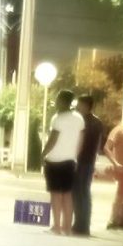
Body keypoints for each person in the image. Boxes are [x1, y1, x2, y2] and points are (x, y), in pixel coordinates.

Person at [72, 95, 118, 236]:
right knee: (81, 192)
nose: (77, 107)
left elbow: (81, 142)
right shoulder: (96, 122)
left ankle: (82, 224)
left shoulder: (86, 122)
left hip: (82, 161)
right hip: (88, 161)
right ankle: (80, 223)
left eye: (79, 104)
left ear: (86, 105)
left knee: (81, 192)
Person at [41, 90, 84, 236]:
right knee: (67, 194)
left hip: (54, 160)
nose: (56, 101)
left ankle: (57, 227)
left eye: (58, 99)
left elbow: (52, 139)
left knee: (55, 194)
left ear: (63, 101)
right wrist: (75, 155)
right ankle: (67, 228)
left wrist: (43, 154)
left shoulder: (57, 118)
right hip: (70, 160)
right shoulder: (79, 118)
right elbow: (81, 139)